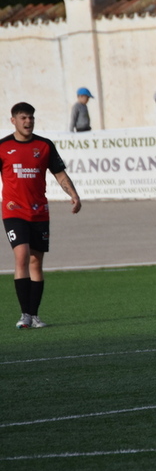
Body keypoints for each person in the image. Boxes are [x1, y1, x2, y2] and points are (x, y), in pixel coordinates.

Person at [1, 103, 82, 328]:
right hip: (13, 211)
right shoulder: (3, 147)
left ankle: (34, 315)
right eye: (24, 118)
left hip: (39, 212)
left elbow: (60, 174)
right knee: (22, 256)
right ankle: (24, 315)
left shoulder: (44, 146)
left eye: (31, 118)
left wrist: (74, 194)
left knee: (36, 262)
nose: (28, 122)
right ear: (13, 120)